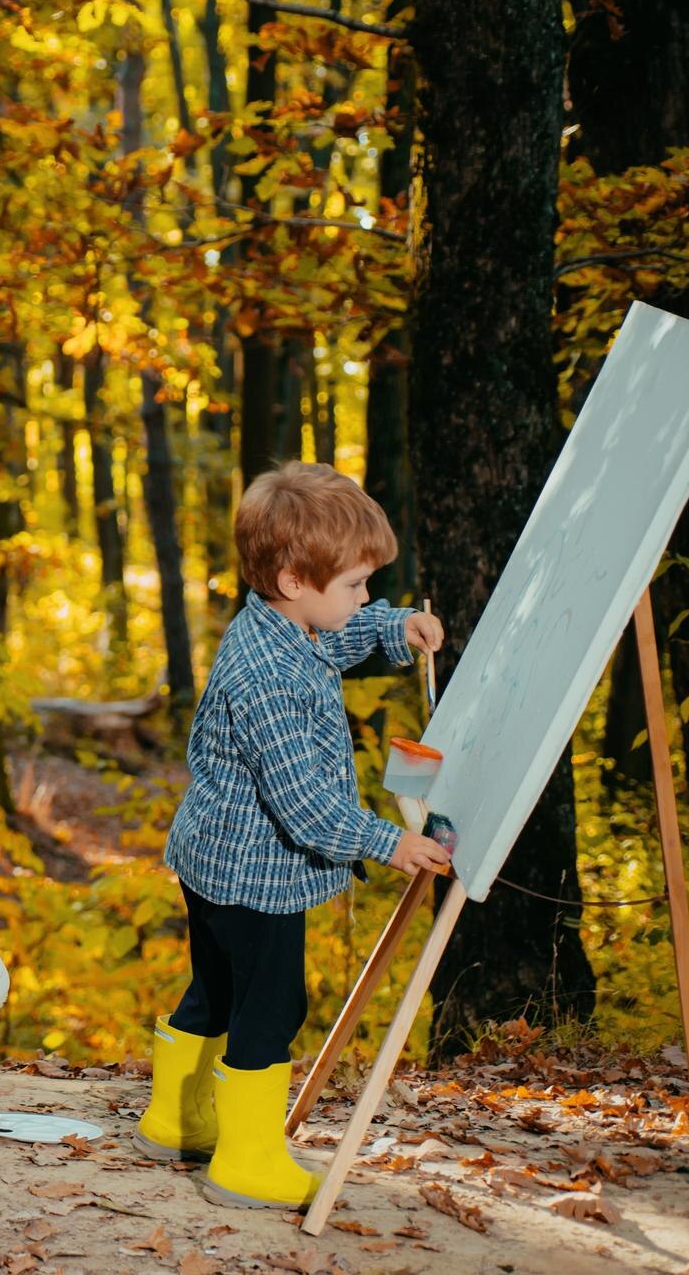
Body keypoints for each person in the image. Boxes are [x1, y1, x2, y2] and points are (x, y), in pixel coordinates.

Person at [135, 462, 451, 1209]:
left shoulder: (279, 628)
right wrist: (389, 842)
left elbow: (337, 638)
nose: (364, 596)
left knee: (216, 990)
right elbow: (306, 806)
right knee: (271, 1008)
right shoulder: (270, 676)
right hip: (255, 877)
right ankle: (246, 1159)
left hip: (212, 862)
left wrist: (395, 628)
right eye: (355, 586)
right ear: (292, 579)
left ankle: (174, 1119)